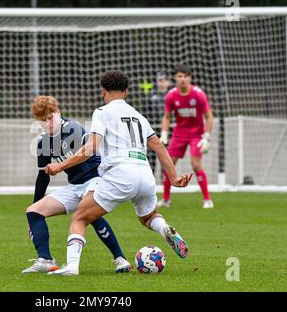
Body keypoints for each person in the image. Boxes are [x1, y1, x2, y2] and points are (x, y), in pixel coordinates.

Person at [45, 70, 193, 275]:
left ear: (103, 91)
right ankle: (164, 228)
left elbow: (91, 147)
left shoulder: (102, 112)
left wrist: (60, 166)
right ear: (126, 92)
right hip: (144, 173)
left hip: (120, 173)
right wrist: (174, 177)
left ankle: (71, 267)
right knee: (148, 216)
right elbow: (158, 145)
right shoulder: (139, 116)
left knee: (80, 217)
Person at [22, 95, 131, 274]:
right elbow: (43, 178)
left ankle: (120, 259)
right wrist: (36, 204)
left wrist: (60, 166)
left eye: (50, 118)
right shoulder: (43, 143)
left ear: (58, 112)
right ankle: (45, 260)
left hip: (96, 178)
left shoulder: (73, 128)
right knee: (33, 212)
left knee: (88, 212)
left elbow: (85, 154)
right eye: (43, 121)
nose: (48, 124)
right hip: (75, 185)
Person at [157, 64, 214, 209]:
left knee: (195, 164)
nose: (182, 79)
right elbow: (167, 117)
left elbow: (209, 116)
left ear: (190, 78)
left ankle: (207, 199)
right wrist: (164, 134)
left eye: (185, 76)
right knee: (168, 164)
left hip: (197, 134)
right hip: (179, 134)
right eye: (179, 76)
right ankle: (166, 199)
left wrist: (206, 137)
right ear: (175, 78)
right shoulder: (171, 95)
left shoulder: (198, 94)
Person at [140, 71, 173, 175]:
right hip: (153, 131)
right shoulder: (150, 96)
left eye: (164, 80)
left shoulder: (172, 95)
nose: (162, 83)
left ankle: (166, 180)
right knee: (151, 158)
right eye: (160, 80)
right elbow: (145, 113)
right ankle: (151, 179)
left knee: (166, 157)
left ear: (168, 82)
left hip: (168, 130)